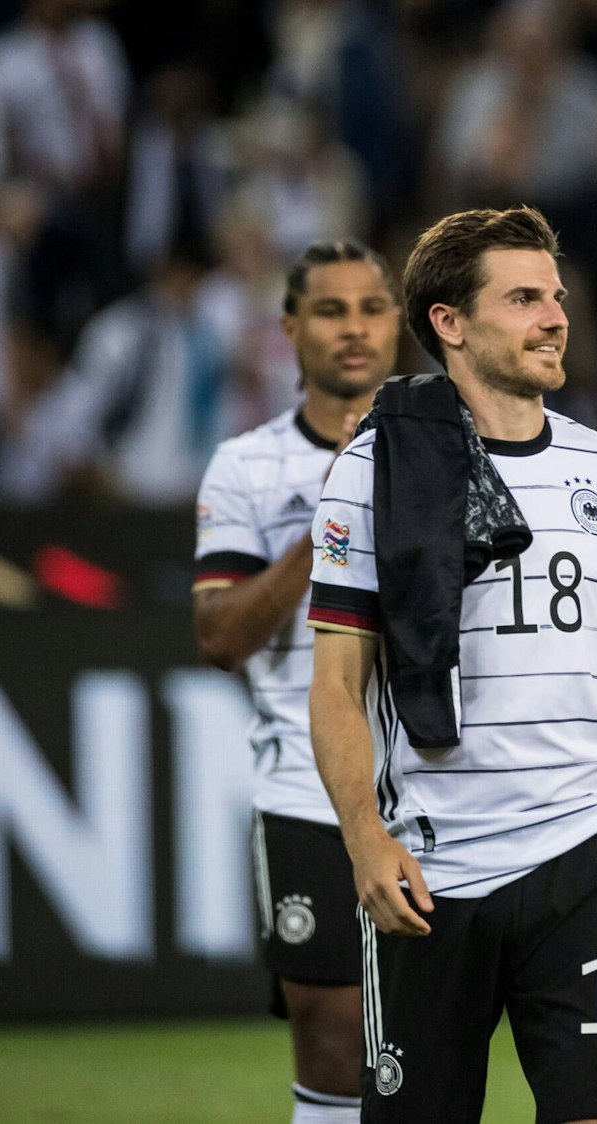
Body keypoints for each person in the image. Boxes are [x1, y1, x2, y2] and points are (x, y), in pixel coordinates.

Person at [306, 206, 597, 1123]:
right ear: (449, 323)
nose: (554, 317)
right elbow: (338, 683)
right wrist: (363, 841)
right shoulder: (372, 467)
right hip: (436, 865)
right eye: (522, 299)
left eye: (555, 297)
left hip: (590, 850)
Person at [191, 240, 399, 1124]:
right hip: (306, 784)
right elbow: (221, 635)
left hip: (446, 778)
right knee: (329, 1025)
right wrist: (331, 519)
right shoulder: (246, 466)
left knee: (433, 1033)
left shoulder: (453, 449)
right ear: (289, 327)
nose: (353, 329)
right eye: (329, 310)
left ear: (402, 322)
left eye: (370, 308)